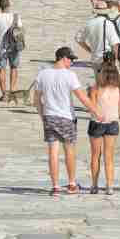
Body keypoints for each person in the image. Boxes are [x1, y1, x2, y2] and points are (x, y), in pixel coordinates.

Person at [33, 47, 101, 197]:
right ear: (63, 58)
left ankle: (55, 186)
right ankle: (71, 183)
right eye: (71, 59)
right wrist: (95, 111)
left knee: (53, 151)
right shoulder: (70, 76)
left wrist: (42, 115)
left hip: (49, 116)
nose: (72, 62)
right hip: (66, 117)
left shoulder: (43, 74)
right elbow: (82, 97)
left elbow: (36, 100)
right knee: (69, 150)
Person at [87, 58, 120, 195]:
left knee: (95, 155)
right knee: (109, 156)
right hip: (112, 123)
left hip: (97, 122)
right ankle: (109, 185)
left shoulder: (95, 89)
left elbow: (92, 107)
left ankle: (94, 185)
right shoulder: (117, 89)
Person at [76, 2, 120, 70]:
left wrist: (89, 50)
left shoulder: (89, 23)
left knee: (98, 80)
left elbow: (78, 39)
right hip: (107, 58)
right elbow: (114, 44)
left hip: (95, 58)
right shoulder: (108, 23)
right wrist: (115, 59)